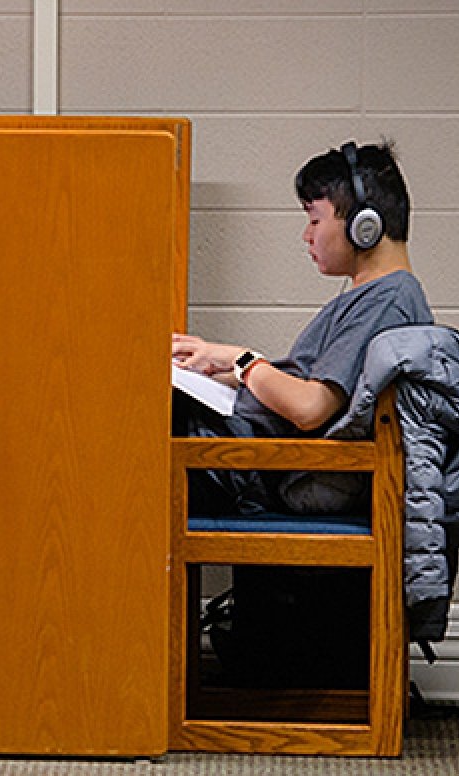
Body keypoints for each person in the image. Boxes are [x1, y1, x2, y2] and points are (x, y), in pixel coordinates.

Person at [171, 140, 434, 516]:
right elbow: (306, 386)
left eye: (315, 220)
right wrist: (221, 370)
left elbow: (310, 407)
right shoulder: (378, 296)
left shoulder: (387, 301)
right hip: (250, 457)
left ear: (364, 226)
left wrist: (243, 361)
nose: (307, 236)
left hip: (250, 469)